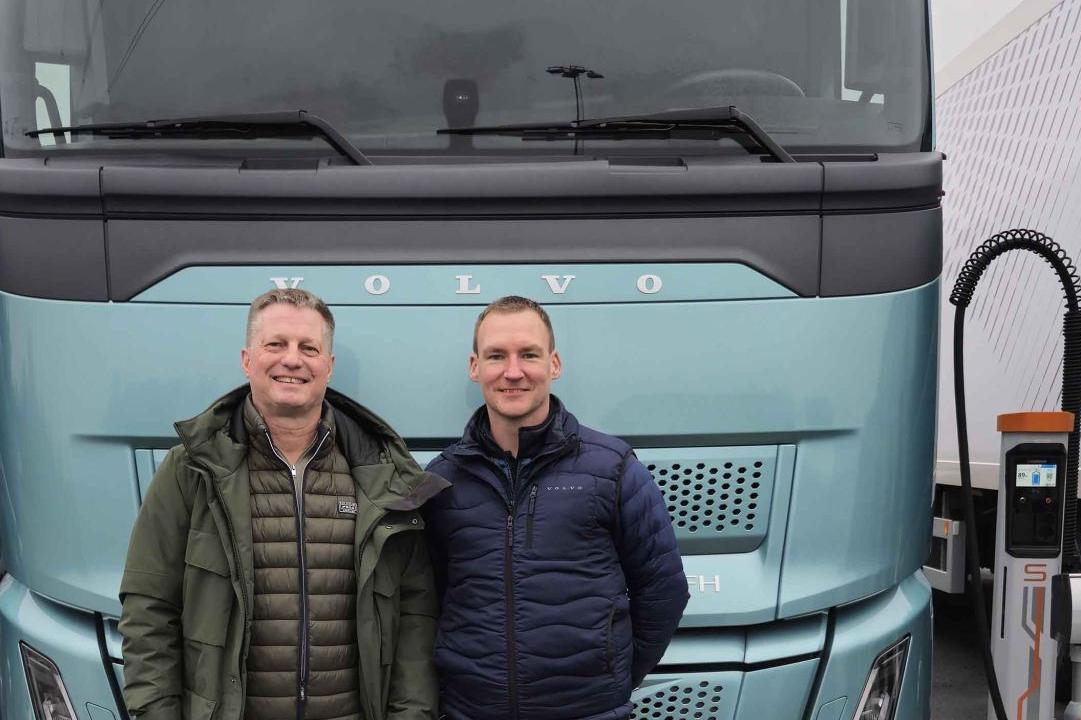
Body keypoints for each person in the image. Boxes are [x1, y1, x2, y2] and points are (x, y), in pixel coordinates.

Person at [118, 288, 445, 720]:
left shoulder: (382, 475)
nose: (293, 359)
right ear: (247, 359)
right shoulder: (190, 470)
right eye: (275, 344)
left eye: (309, 348)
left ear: (328, 366)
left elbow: (415, 618)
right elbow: (148, 611)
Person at [424, 295, 689, 720]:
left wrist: (615, 677)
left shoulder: (612, 468)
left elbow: (664, 589)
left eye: (529, 354)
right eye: (496, 356)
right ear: (475, 367)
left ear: (555, 364)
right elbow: (428, 600)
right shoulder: (444, 479)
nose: (513, 371)